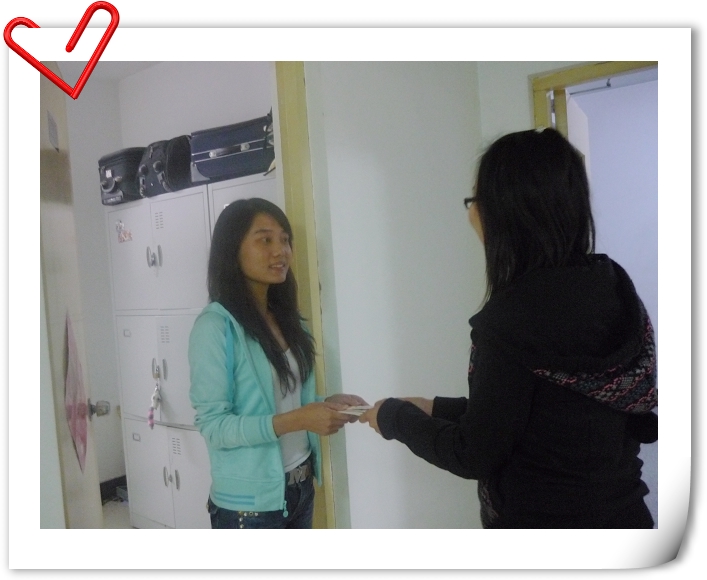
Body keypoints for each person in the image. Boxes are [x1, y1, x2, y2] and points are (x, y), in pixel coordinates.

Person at [359, 127, 658, 529]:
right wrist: (434, 407)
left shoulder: (508, 320)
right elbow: (546, 412)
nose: (471, 214)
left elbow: (474, 453)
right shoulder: (613, 285)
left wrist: (395, 418)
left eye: (475, 201)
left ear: (506, 211)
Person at [189, 197, 367, 529]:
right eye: (265, 240)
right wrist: (300, 419)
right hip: (248, 507)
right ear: (232, 250)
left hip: (300, 487)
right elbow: (214, 426)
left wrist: (326, 404)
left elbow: (282, 402)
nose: (280, 251)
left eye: (285, 240)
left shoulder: (288, 320)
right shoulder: (215, 326)